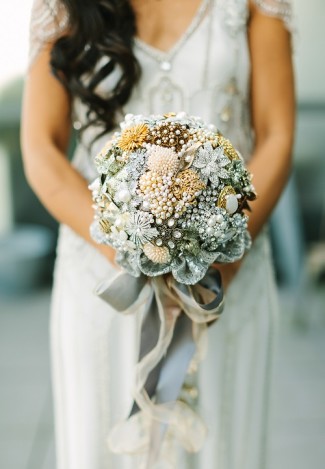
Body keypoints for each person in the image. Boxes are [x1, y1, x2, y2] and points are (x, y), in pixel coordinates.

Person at [21, 0, 295, 468]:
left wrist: (220, 258)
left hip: (229, 278)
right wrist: (127, 248)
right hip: (102, 278)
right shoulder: (62, 6)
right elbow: (40, 146)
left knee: (227, 448)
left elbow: (277, 135)